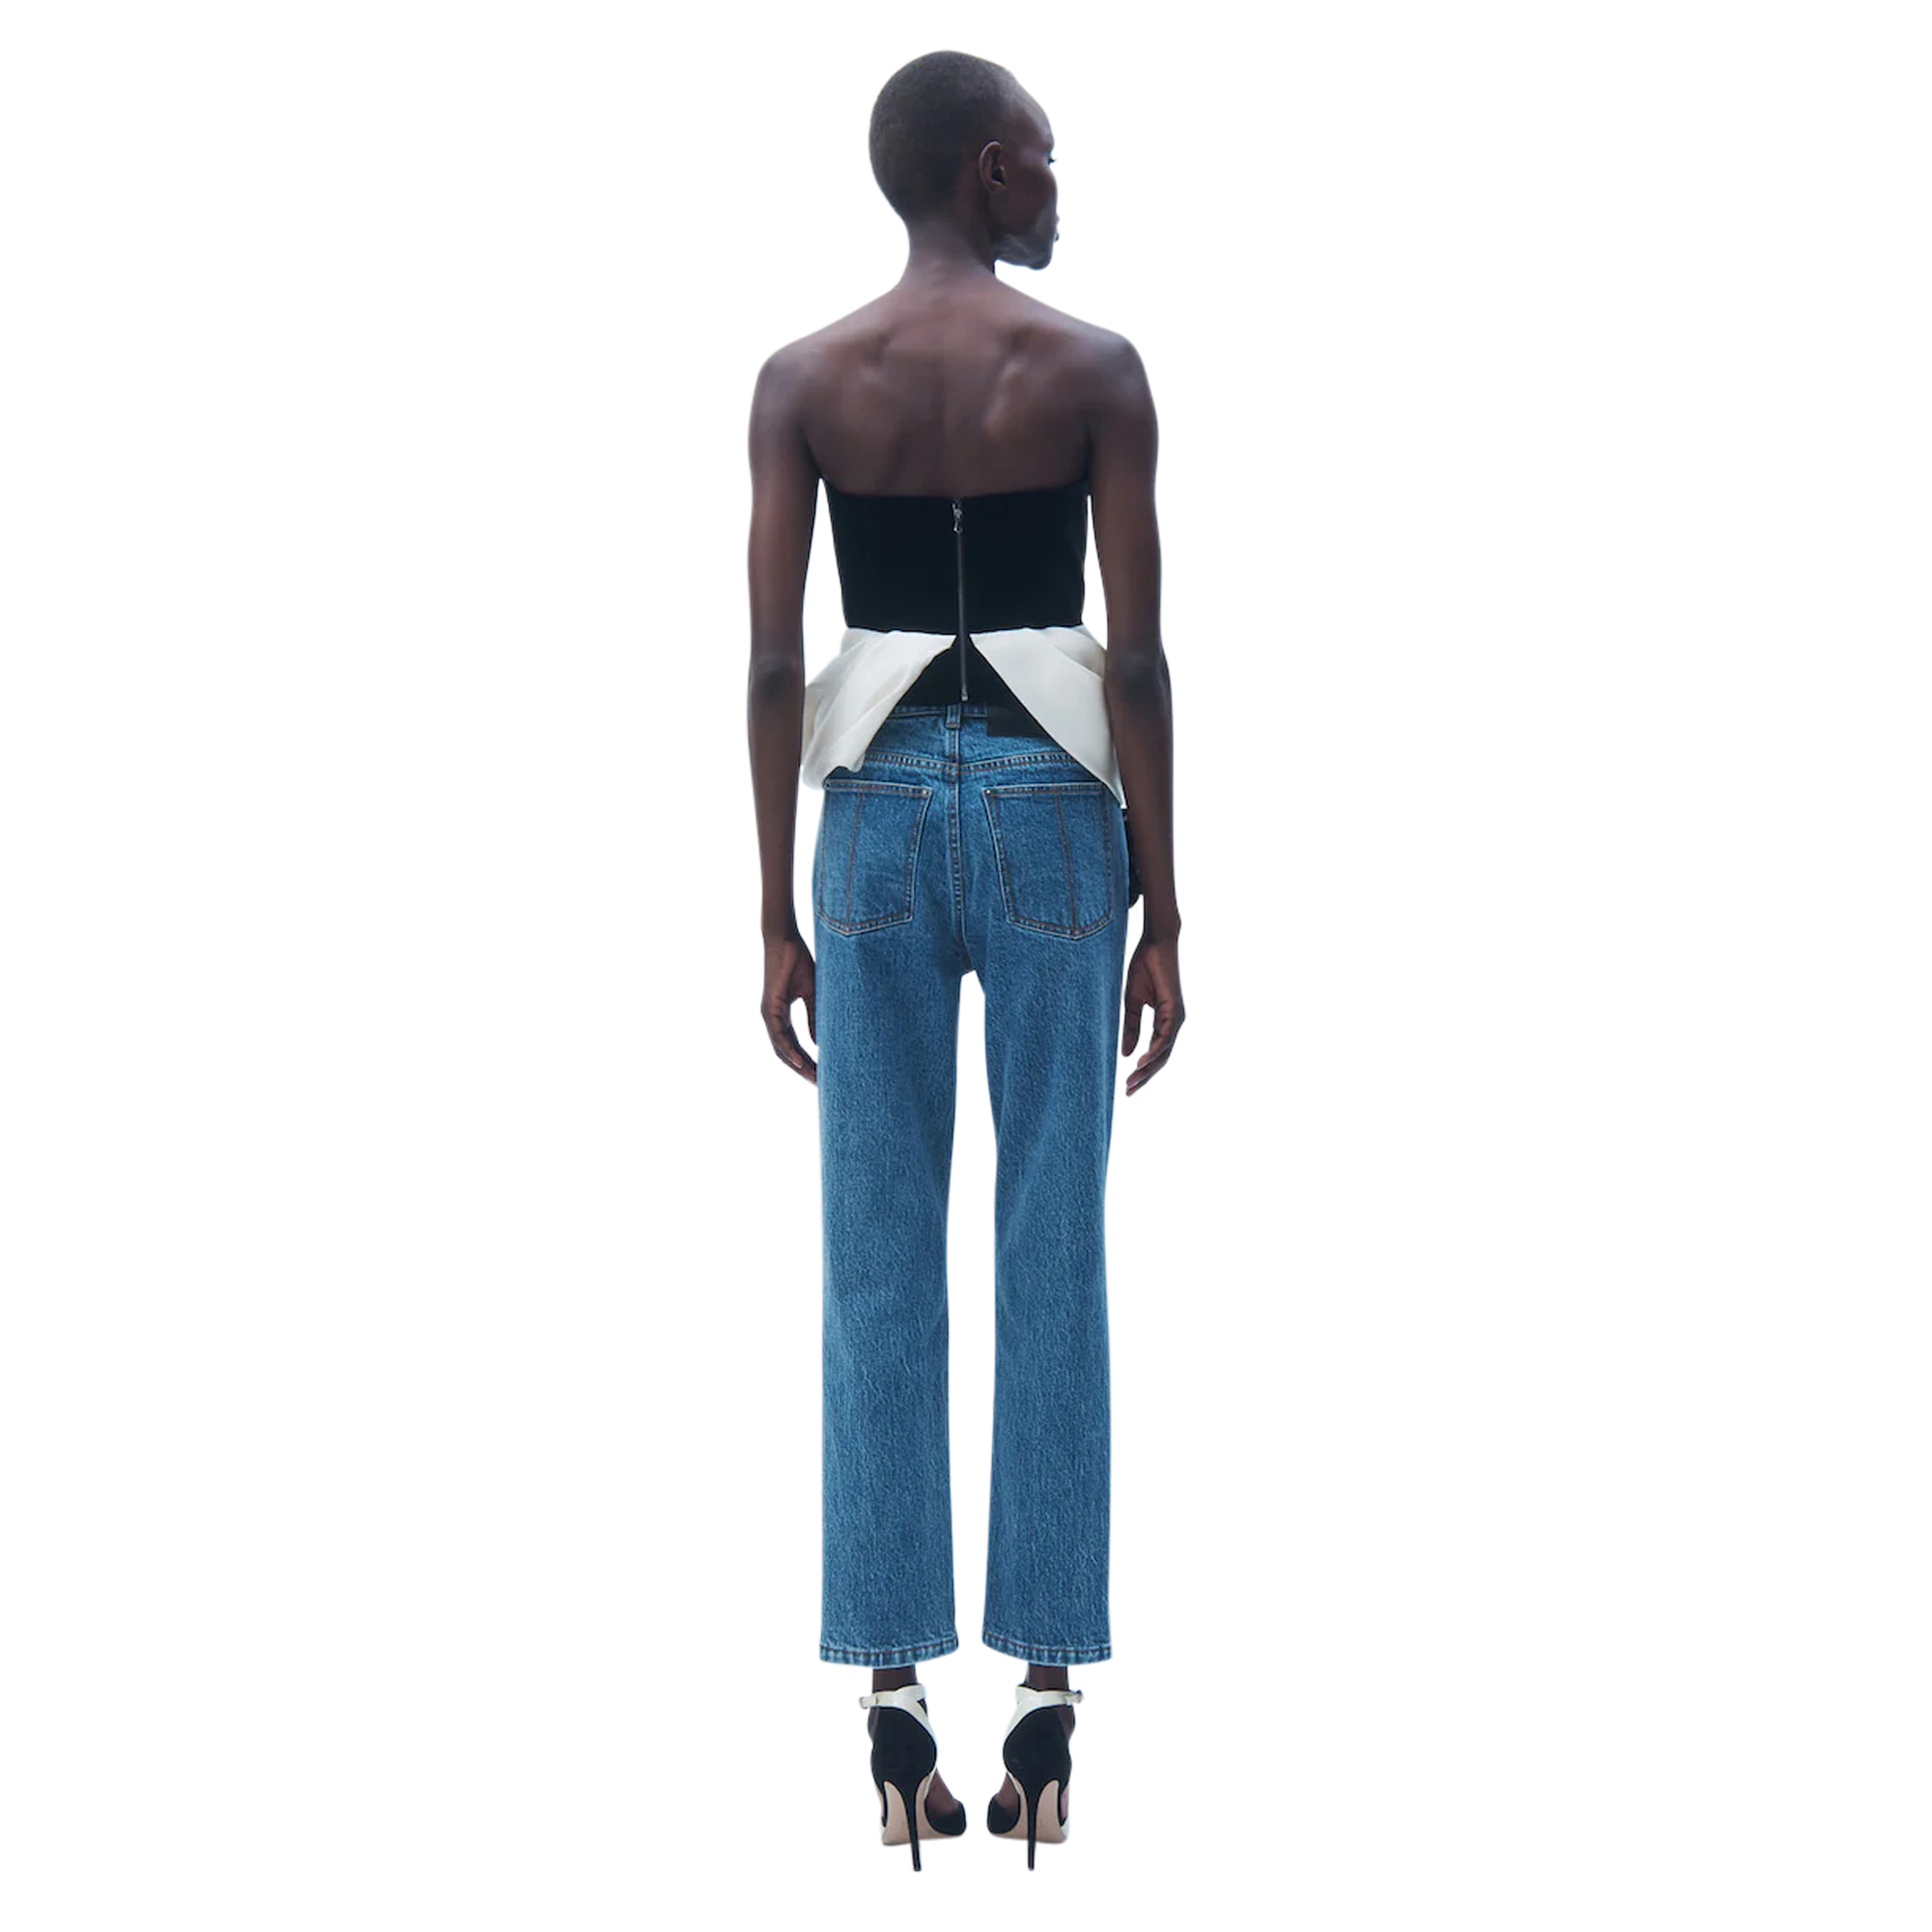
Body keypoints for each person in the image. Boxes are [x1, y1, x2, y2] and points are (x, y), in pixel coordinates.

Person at [745, 50, 1184, 1870]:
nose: (1060, 185)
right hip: (1051, 813)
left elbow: (772, 664)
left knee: (875, 1259)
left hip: (864, 825)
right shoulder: (1092, 372)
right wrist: (1171, 901)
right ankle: (1049, 1702)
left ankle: (894, 1702)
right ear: (991, 168)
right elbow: (1135, 658)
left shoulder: (804, 380)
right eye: (1046, 160)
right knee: (1049, 1243)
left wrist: (770, 909)